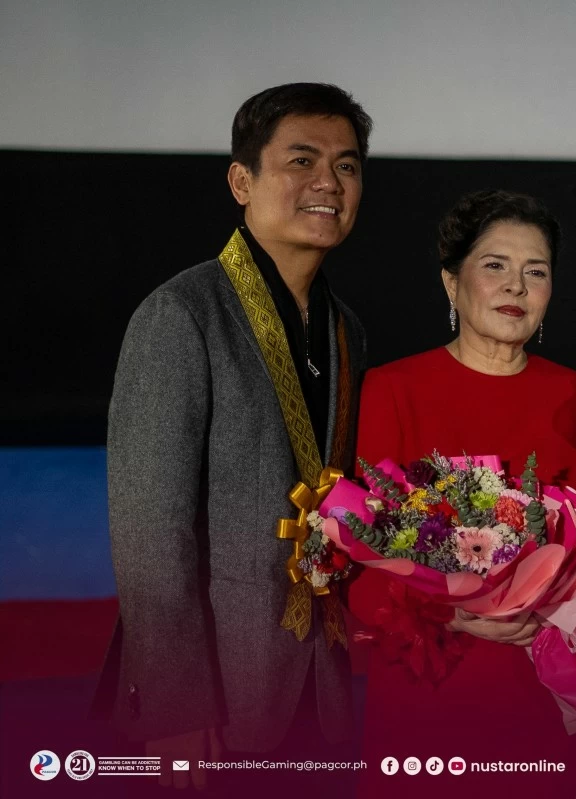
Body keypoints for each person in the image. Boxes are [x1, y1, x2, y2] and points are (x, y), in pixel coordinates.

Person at [93, 83, 372, 790]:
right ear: (242, 181)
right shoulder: (181, 315)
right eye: (301, 161)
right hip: (213, 704)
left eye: (346, 165)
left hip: (318, 685)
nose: (327, 183)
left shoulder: (346, 329)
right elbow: (150, 532)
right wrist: (175, 704)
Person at [348, 189, 576, 796]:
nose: (516, 286)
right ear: (450, 282)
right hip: (427, 681)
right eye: (495, 266)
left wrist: (550, 605)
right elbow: (358, 552)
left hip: (540, 684)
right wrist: (452, 612)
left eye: (534, 272)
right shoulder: (392, 388)